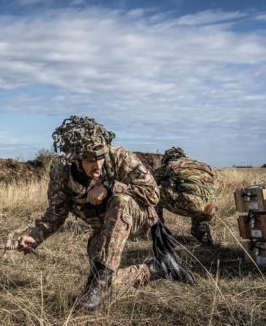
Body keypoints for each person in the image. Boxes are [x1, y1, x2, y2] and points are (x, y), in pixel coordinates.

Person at [17, 116, 194, 311]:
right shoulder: (61, 174)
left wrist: (110, 187)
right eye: (90, 160)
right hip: (104, 228)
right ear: (75, 159)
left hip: (139, 217)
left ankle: (101, 283)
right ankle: (155, 269)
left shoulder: (120, 157)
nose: (98, 164)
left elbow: (153, 194)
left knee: (120, 201)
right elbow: (55, 214)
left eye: (100, 157)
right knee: (97, 283)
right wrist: (34, 237)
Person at [155, 147, 218, 246]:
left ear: (167, 158)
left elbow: (151, 182)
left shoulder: (170, 165)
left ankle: (158, 230)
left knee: (154, 194)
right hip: (211, 207)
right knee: (199, 207)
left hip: (192, 204)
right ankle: (206, 241)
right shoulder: (204, 166)